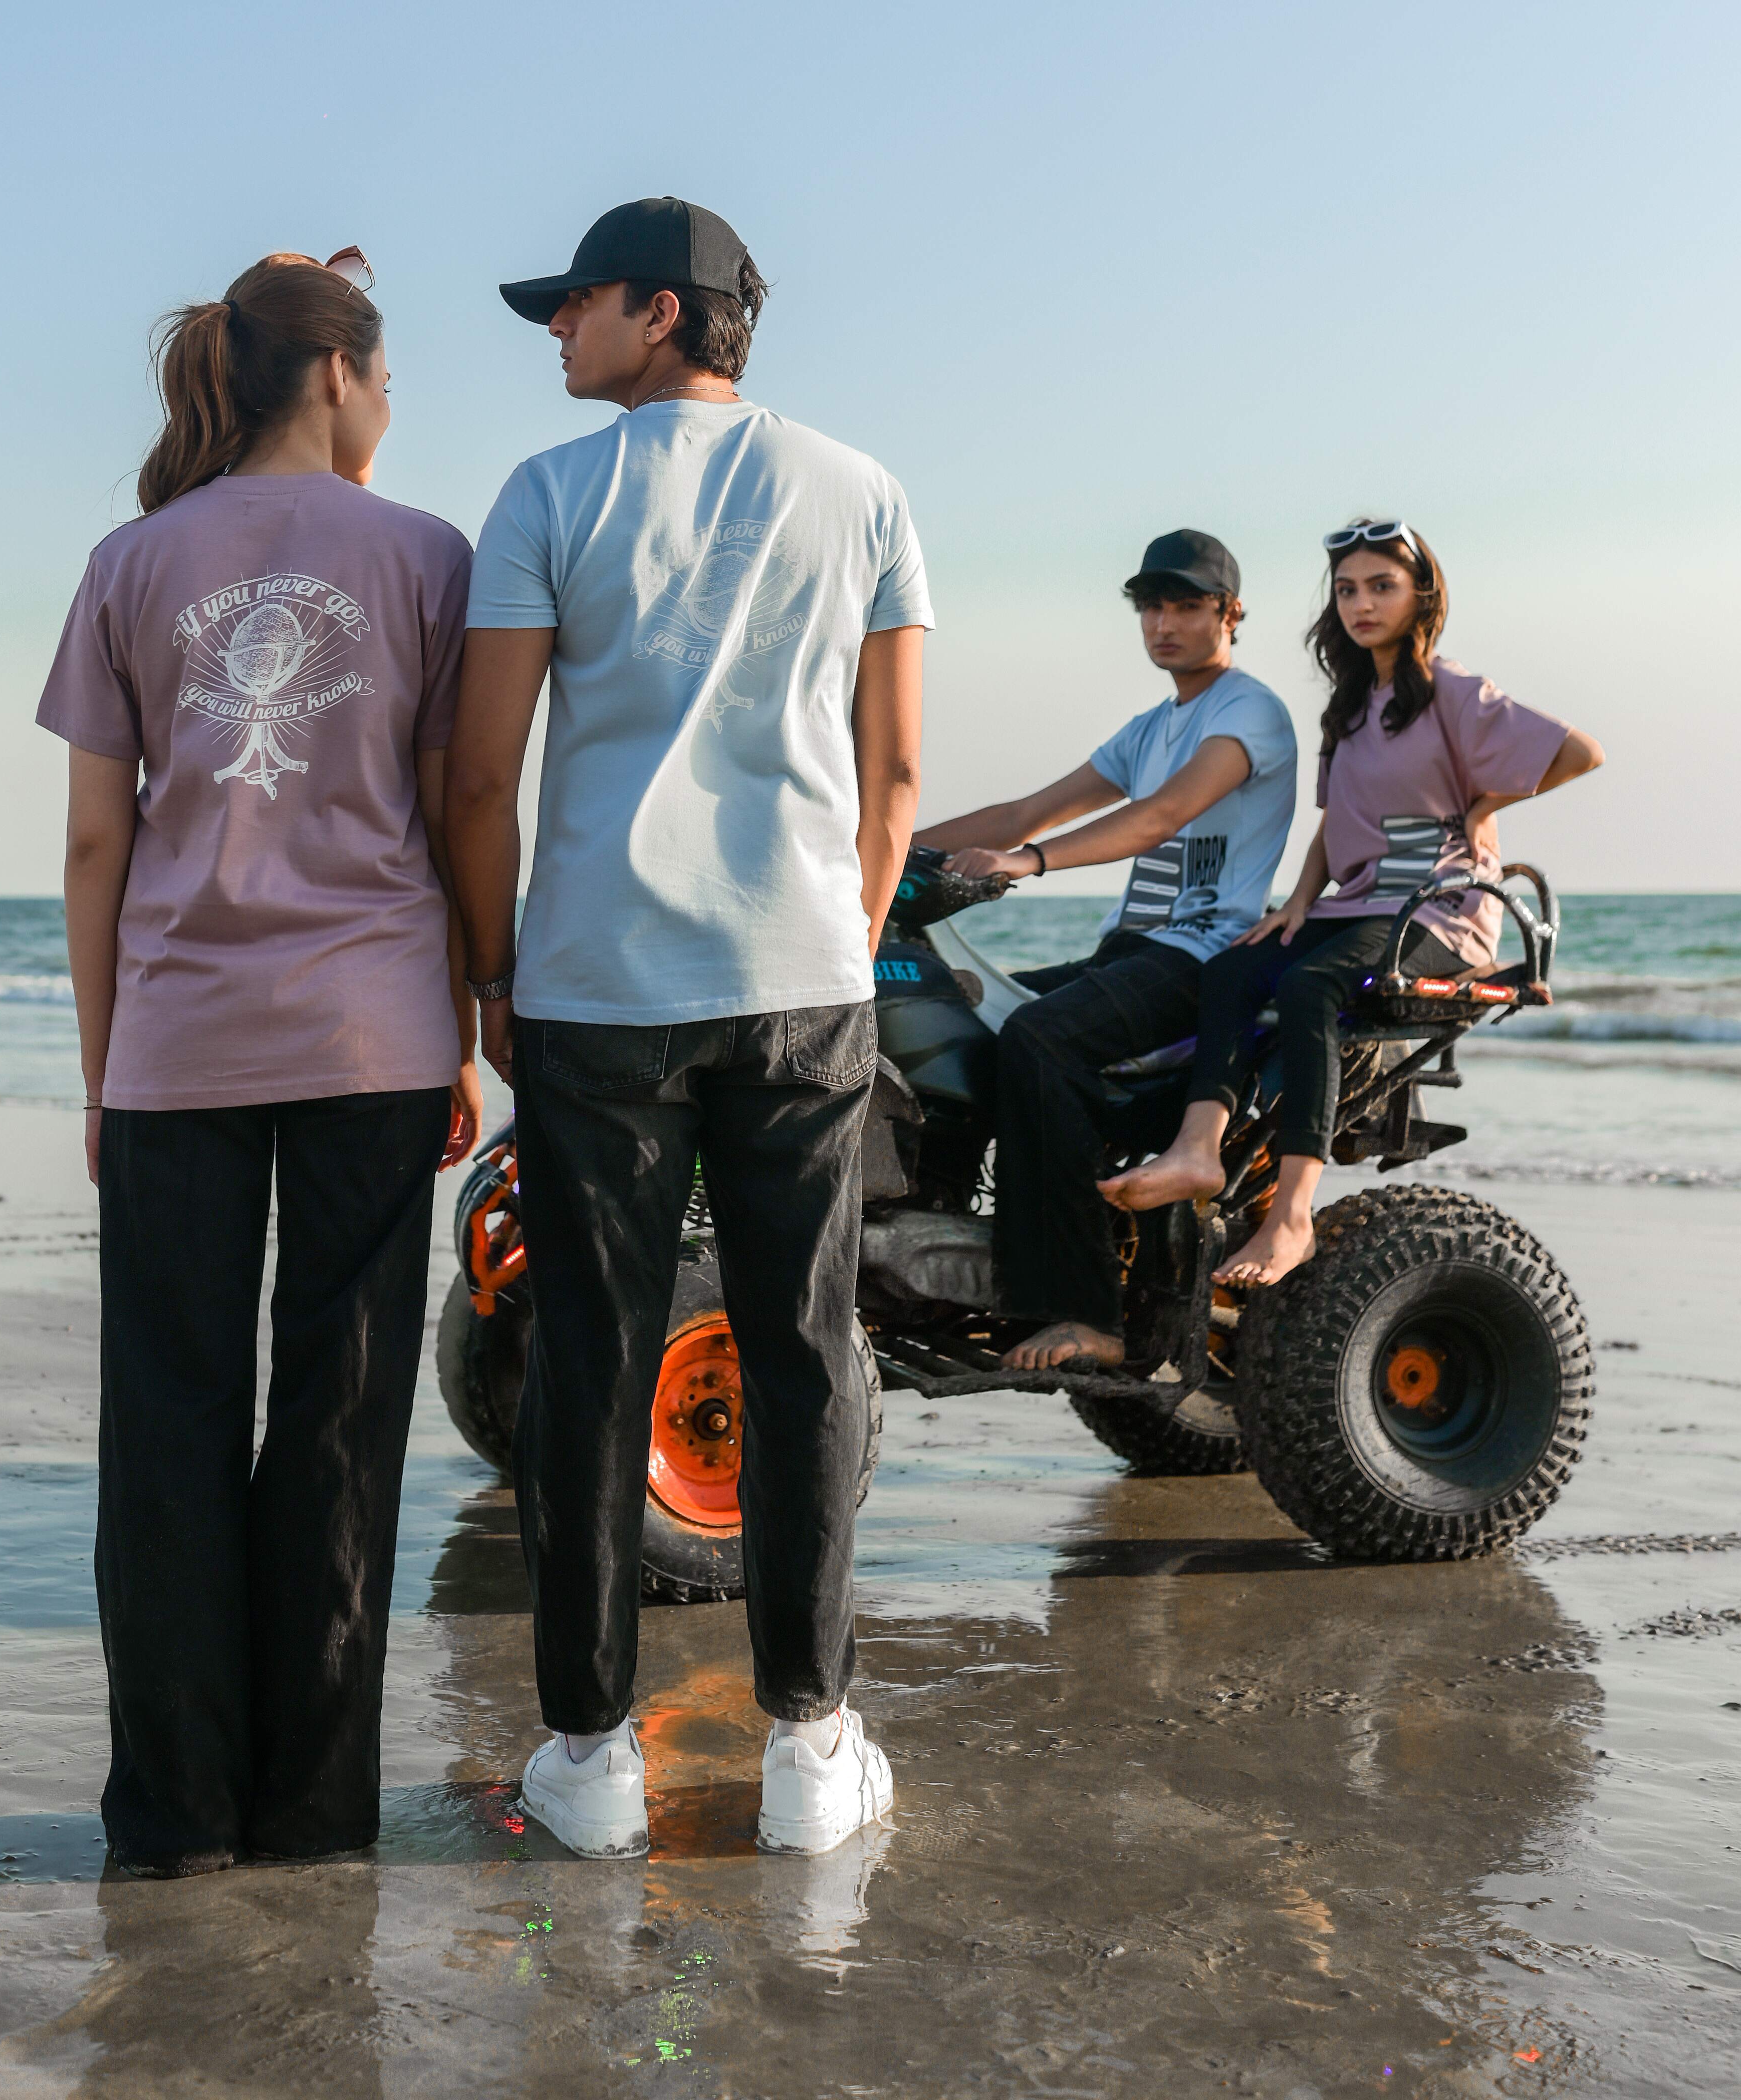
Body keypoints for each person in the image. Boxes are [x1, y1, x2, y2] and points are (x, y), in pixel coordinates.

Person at [443, 196, 928, 1860]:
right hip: (801, 978)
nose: (552, 333)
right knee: (801, 1349)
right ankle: (809, 1744)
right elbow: (897, 777)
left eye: (570, 305)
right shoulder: (864, 488)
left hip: (595, 988)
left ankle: (584, 1756)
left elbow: (475, 766)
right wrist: (845, 942)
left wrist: (494, 970)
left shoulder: (544, 492)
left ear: (661, 310)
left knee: (589, 1357)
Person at [38, 248, 479, 1875]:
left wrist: (103, 1070)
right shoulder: (427, 552)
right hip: (373, 1030)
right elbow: (449, 813)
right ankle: (310, 1814)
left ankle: (173, 1816)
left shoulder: (130, 558)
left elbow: (95, 844)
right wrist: (463, 1020)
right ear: (345, 378)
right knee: (339, 1420)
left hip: (172, 1044)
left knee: (166, 1421)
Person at [1104, 518, 1605, 1285]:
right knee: (1235, 968)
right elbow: (1334, 826)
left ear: (1420, 596)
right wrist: (1298, 903)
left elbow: (1580, 753)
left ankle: (1293, 1216)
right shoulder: (1348, 707)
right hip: (1360, 905)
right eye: (1347, 590)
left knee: (1313, 987)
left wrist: (1484, 805)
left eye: (1381, 587)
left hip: (1442, 911)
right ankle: (1198, 1149)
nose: (1361, 605)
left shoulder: (1453, 691)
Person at [916, 530, 1297, 1373]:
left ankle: (1086, 1312)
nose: (1165, 623)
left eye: (1187, 605)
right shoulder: (1151, 726)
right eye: (1151, 606)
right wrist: (883, 851)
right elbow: (1025, 812)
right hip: (1131, 949)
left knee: (1040, 1038)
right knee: (947, 1016)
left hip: (1200, 956)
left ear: (1230, 614)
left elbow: (1158, 817)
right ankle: (946, 1251)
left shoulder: (1249, 712)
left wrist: (1031, 864)